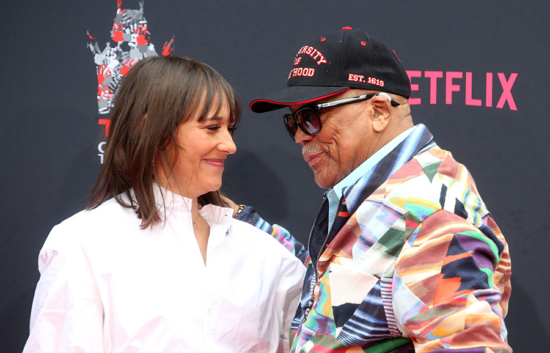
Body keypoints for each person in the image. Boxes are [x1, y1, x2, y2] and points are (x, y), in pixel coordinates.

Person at [236, 27, 512, 352]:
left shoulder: (429, 215)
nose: (300, 136)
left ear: (378, 111)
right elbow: (340, 291)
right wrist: (240, 221)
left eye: (311, 117)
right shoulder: (390, 192)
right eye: (292, 122)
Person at [23, 56, 305, 353]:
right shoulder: (84, 244)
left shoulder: (268, 255)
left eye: (230, 129)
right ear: (153, 131)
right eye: (212, 127)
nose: (229, 145)